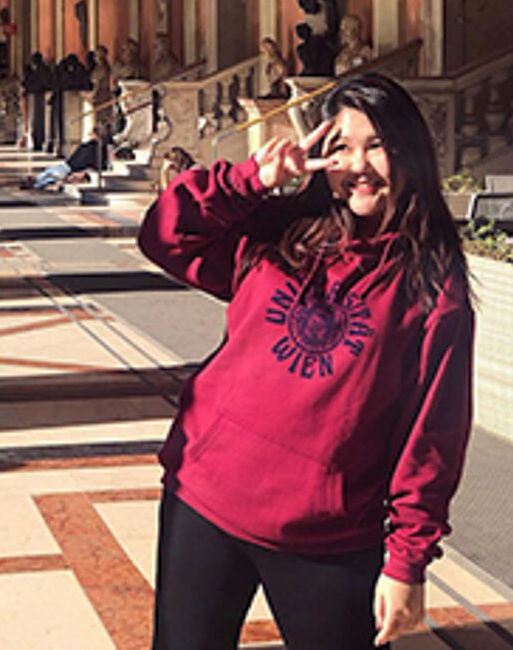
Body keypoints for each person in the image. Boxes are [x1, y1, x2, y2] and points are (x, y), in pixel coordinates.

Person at [138, 72, 473, 650]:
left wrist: (407, 562)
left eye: (377, 145)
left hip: (329, 534)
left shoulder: (431, 286)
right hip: (206, 497)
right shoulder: (278, 235)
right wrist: (252, 180)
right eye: (340, 147)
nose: (359, 165)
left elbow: (433, 435)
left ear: (410, 152)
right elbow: (165, 236)